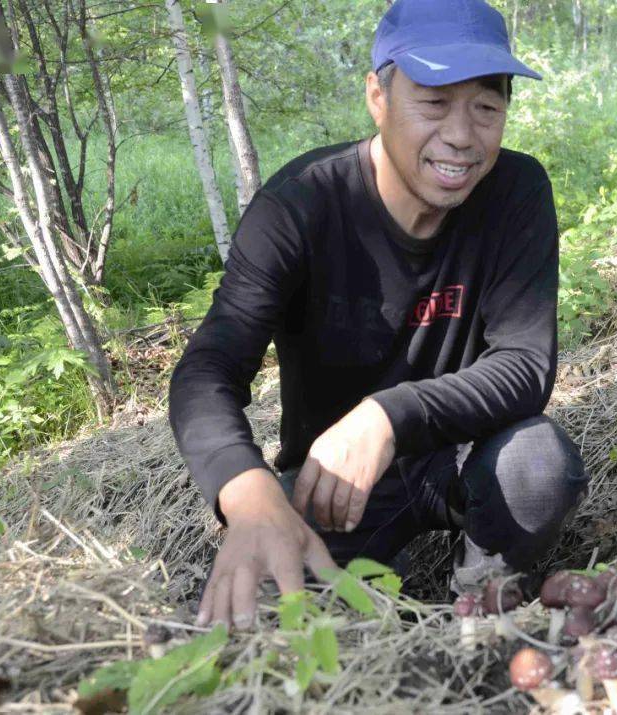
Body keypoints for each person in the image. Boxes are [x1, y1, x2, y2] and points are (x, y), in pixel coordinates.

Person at [168, 0, 589, 633]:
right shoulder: (301, 206)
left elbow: (525, 365)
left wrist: (389, 414)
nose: (462, 135)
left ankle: (478, 610)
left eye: (487, 106)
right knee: (248, 618)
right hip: (335, 490)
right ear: (377, 96)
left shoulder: (515, 191)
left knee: (539, 463)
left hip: (466, 458)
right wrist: (247, 491)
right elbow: (208, 368)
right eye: (434, 102)